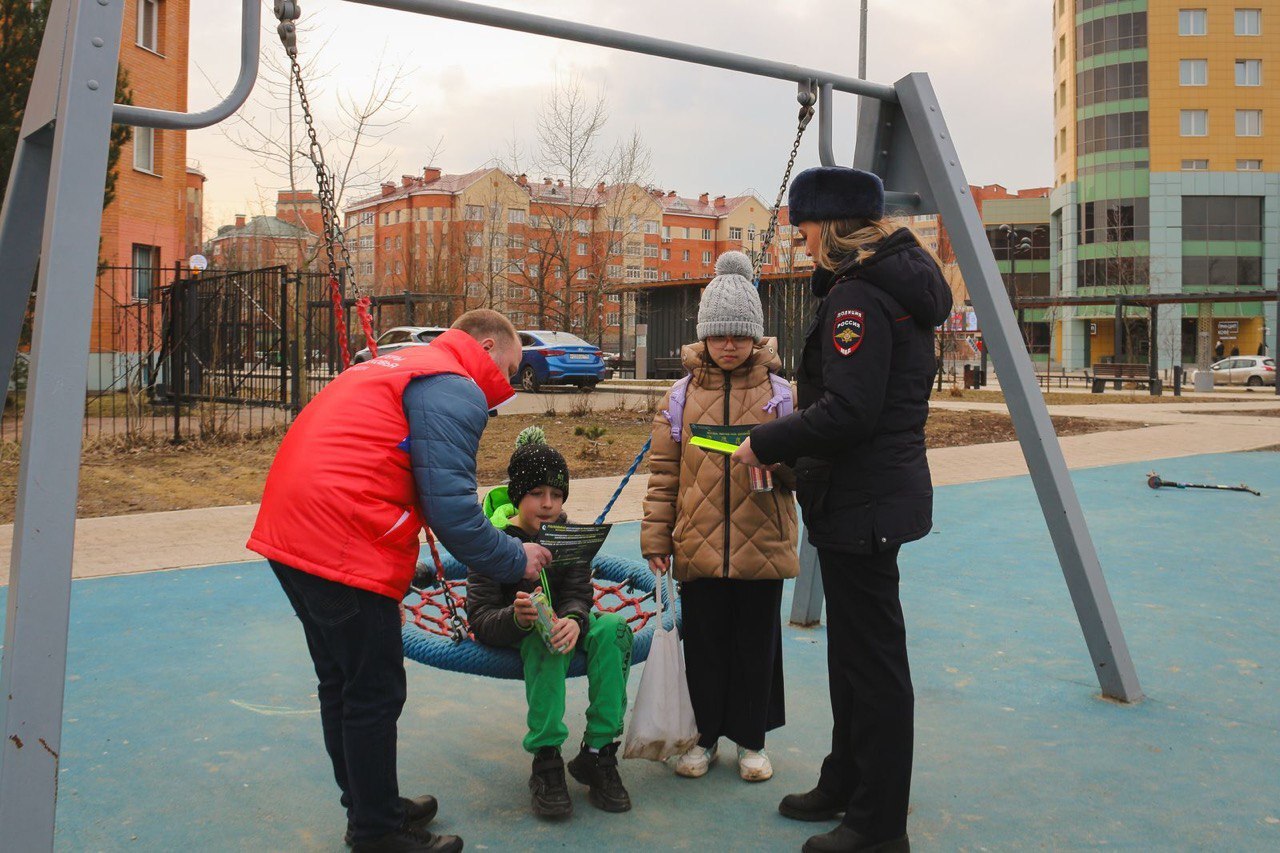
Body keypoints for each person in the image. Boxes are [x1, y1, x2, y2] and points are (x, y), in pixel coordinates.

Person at [247, 309, 552, 853]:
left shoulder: (404, 363)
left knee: (342, 683)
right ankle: (377, 835)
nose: (507, 387)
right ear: (485, 347)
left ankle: (371, 806)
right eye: (510, 369)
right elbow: (454, 512)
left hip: (292, 531)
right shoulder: (454, 385)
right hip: (339, 539)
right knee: (373, 691)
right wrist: (516, 558)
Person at [733, 167, 952, 853]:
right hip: (865, 495)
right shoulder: (887, 286)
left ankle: (879, 824)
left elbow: (852, 411)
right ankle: (847, 779)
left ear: (829, 227)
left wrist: (768, 439)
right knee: (853, 655)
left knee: (874, 664)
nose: (800, 244)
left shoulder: (860, 297)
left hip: (865, 499)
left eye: (803, 230)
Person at [641, 251, 800, 783]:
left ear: (756, 338)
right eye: (719, 335)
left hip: (763, 544)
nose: (728, 346)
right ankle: (703, 737)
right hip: (698, 545)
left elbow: (808, 467)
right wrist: (656, 537)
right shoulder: (681, 397)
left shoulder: (781, 397)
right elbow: (664, 474)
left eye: (739, 335)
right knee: (704, 646)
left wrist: (780, 460)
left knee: (757, 647)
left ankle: (751, 741)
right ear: (704, 337)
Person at [469, 427, 634, 819]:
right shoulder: (491, 544)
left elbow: (579, 593)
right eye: (536, 494)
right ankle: (546, 759)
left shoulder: (568, 539)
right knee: (545, 640)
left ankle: (598, 751)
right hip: (524, 634)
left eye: (557, 495)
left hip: (567, 626)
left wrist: (577, 620)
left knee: (614, 630)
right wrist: (516, 617)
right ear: (517, 495)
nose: (548, 504)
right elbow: (479, 617)